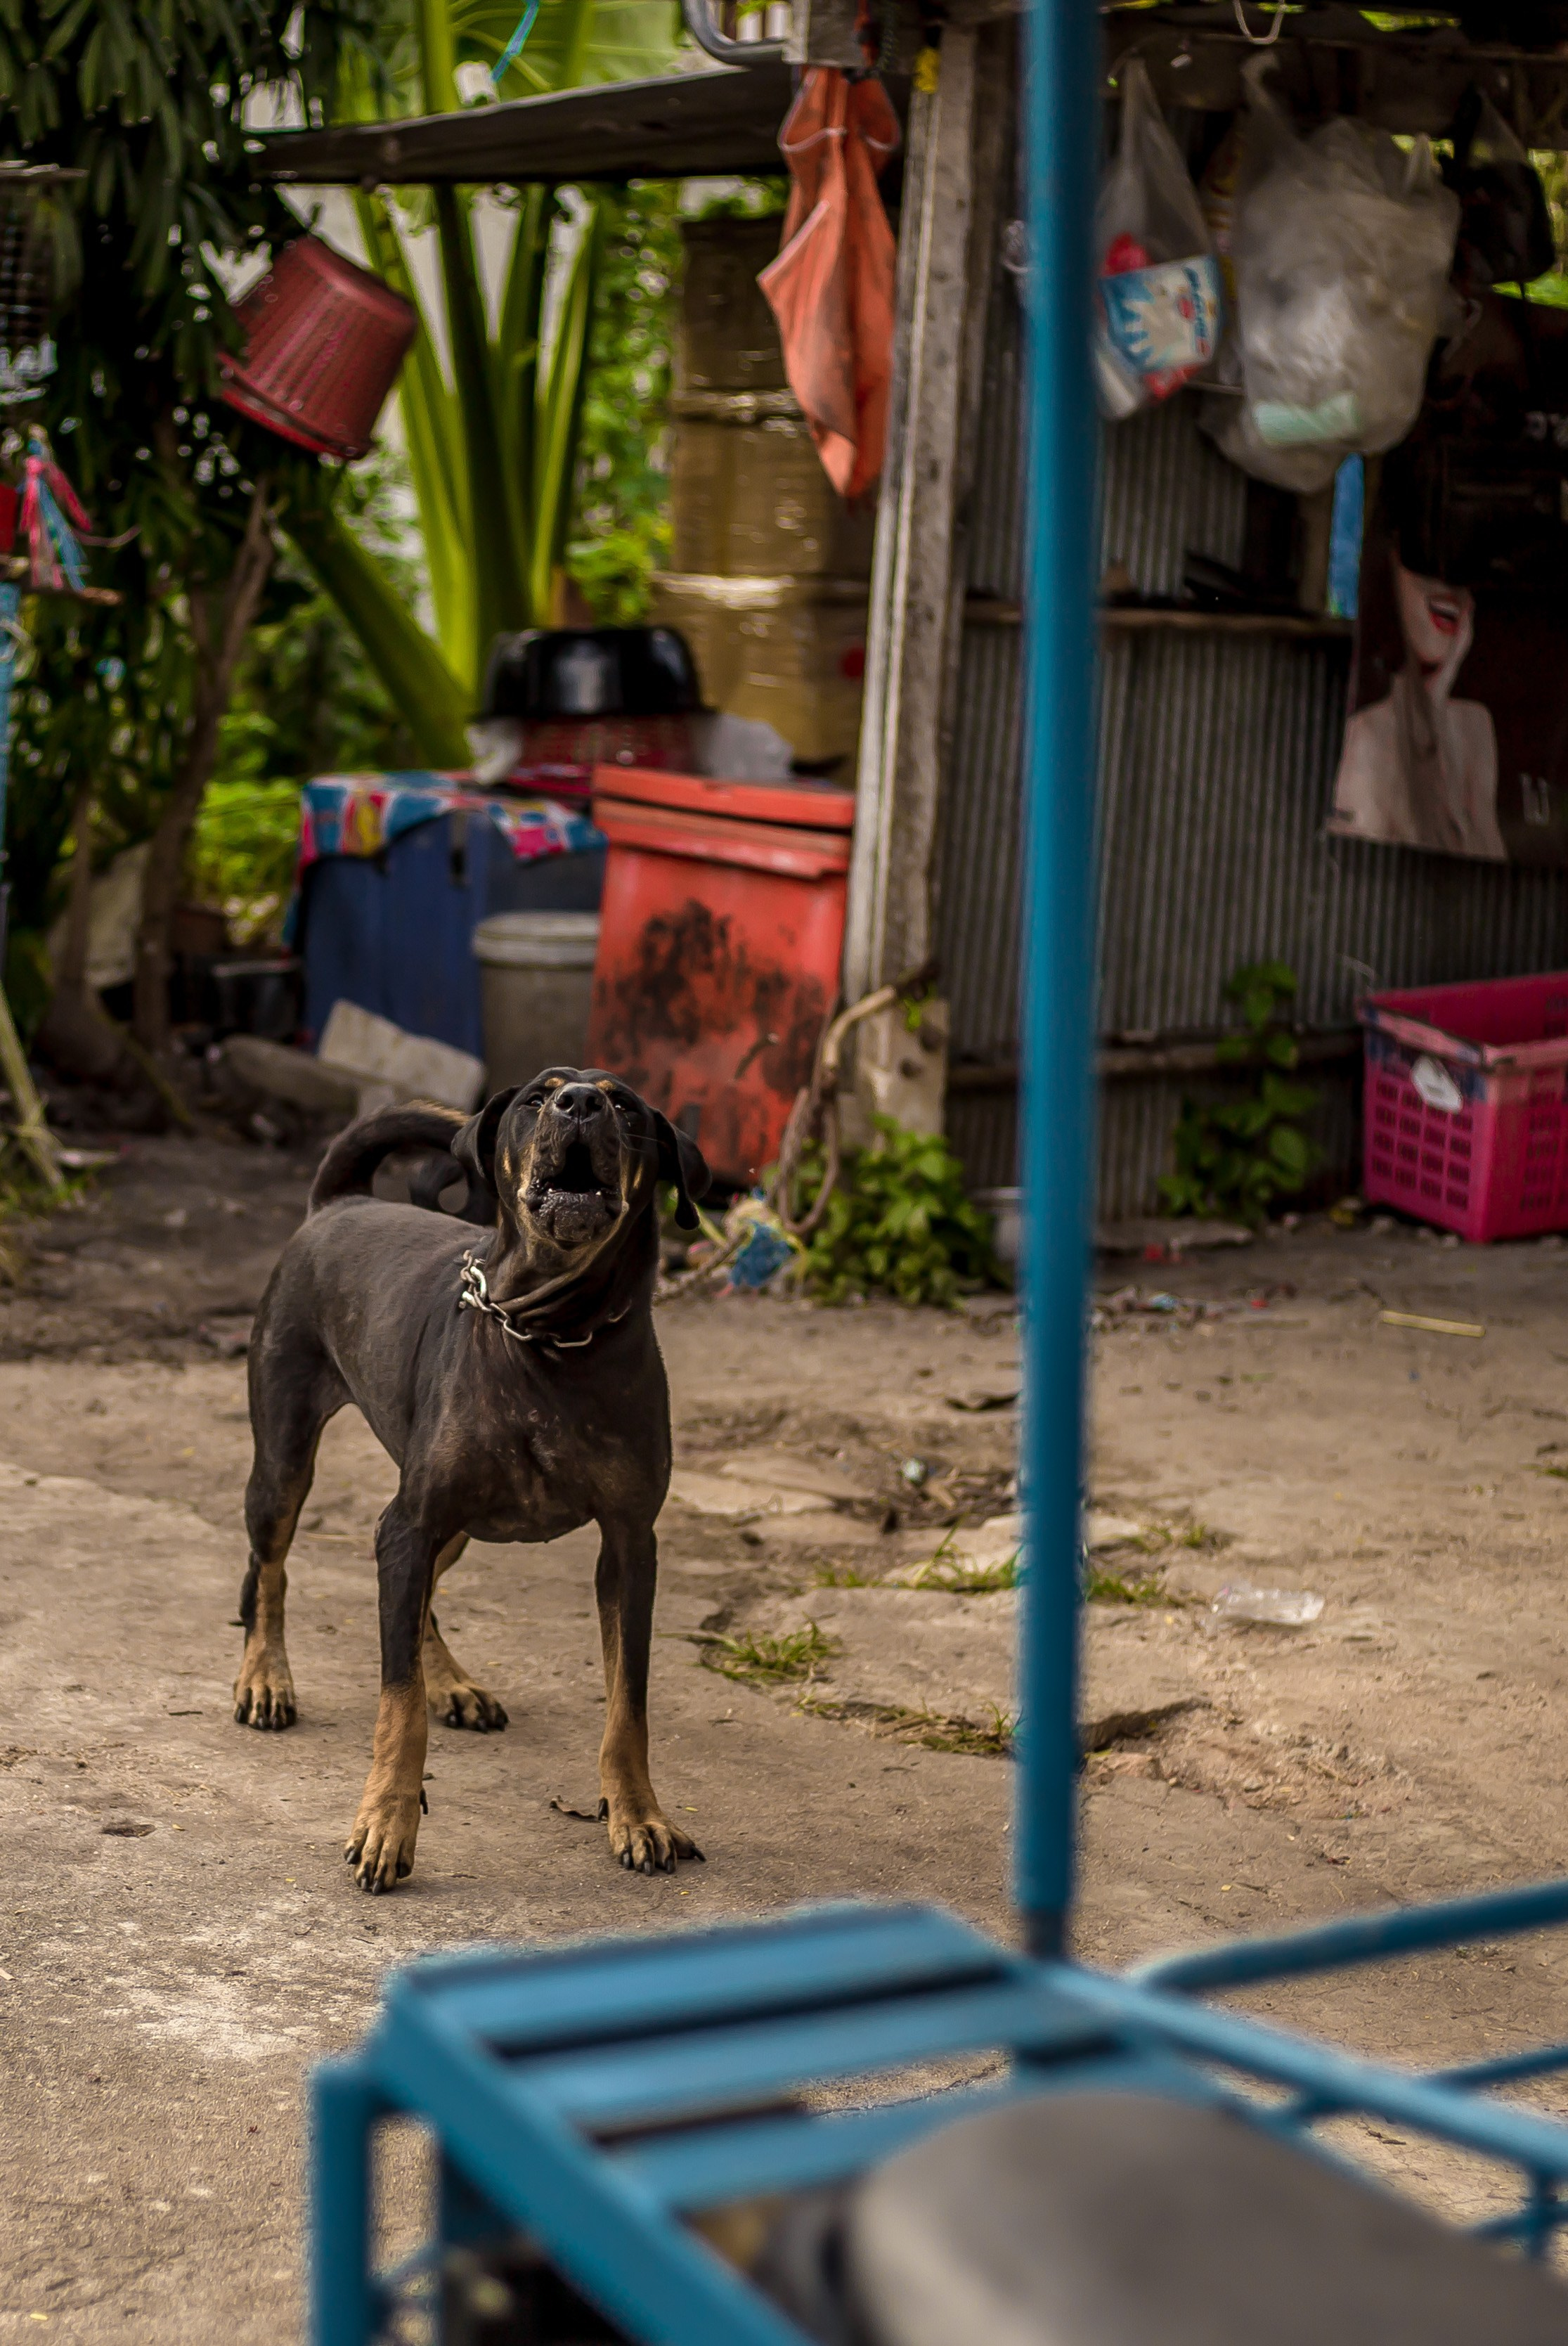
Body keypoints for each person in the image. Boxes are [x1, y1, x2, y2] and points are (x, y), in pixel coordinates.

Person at [1330, 556, 1504, 860]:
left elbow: (1491, 870)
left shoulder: (1474, 724)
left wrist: (1435, 702)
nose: (1447, 584)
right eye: (1421, 558)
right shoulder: (1366, 738)